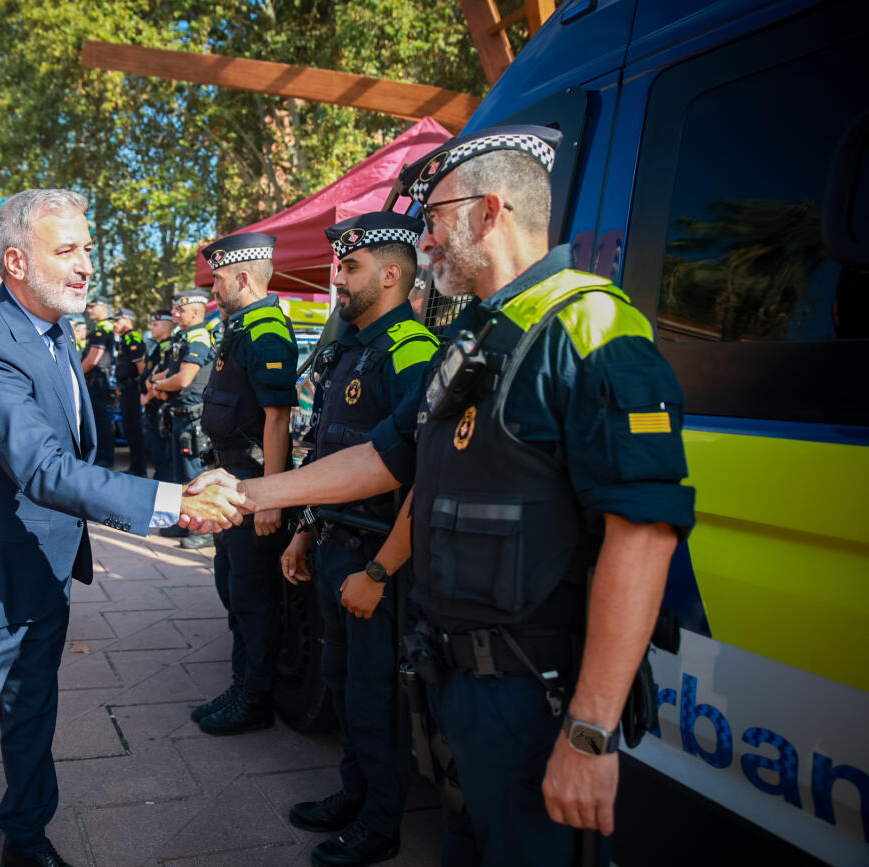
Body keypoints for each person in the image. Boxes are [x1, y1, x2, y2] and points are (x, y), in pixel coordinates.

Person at [232, 125, 695, 867]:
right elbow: (388, 455)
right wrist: (252, 490)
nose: (426, 239)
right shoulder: (475, 337)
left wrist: (590, 732)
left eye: (436, 217)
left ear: (491, 210)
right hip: (459, 687)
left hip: (537, 697)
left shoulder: (591, 327)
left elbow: (642, 536)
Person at [0, 188, 244, 867]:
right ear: (13, 261)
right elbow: (43, 467)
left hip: (45, 567)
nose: (86, 265)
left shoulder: (57, 327)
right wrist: (170, 498)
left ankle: (26, 840)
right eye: (66, 251)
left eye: (87, 249)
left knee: (33, 719)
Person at [280, 213, 438, 867]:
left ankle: (379, 823)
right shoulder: (354, 347)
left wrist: (377, 572)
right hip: (336, 546)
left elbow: (423, 477)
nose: (337, 280)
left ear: (391, 274)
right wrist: (304, 530)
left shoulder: (412, 352)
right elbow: (332, 454)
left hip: (377, 560)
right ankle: (354, 795)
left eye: (349, 268)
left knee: (375, 695)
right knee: (341, 682)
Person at [189, 232, 299, 736]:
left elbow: (277, 419)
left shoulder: (266, 331)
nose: (212, 288)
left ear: (243, 278)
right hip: (233, 477)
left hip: (255, 482)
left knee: (253, 596)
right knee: (233, 588)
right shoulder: (241, 327)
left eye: (216, 278)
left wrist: (272, 500)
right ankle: (241, 683)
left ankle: (254, 695)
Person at [147, 291, 215, 548]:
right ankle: (182, 522)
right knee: (179, 476)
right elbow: (172, 371)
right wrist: (159, 382)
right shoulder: (183, 336)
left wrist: (158, 385)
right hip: (178, 416)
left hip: (193, 418)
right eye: (174, 309)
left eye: (179, 310)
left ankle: (205, 530)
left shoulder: (198, 337)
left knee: (195, 476)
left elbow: (184, 379)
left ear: (196, 312)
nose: (174, 314)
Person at [80, 297, 116, 468]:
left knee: (100, 421)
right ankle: (103, 457)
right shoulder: (104, 327)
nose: (89, 310)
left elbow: (92, 360)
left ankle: (104, 459)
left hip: (98, 380)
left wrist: (76, 375)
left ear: (104, 307)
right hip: (98, 379)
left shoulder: (104, 327)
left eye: (93, 307)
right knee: (98, 420)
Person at [112, 307, 148, 475]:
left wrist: (142, 390)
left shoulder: (133, 338)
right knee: (129, 430)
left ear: (127, 320)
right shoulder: (124, 339)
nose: (114, 324)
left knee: (134, 430)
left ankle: (139, 469)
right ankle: (134, 466)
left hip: (133, 390)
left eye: (117, 320)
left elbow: (141, 368)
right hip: (125, 389)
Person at [141, 307, 174, 481]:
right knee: (155, 451)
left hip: (160, 406)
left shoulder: (170, 346)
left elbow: (168, 375)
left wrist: (148, 396)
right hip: (150, 407)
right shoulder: (155, 347)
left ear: (167, 326)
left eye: (155, 324)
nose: (151, 327)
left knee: (164, 455)